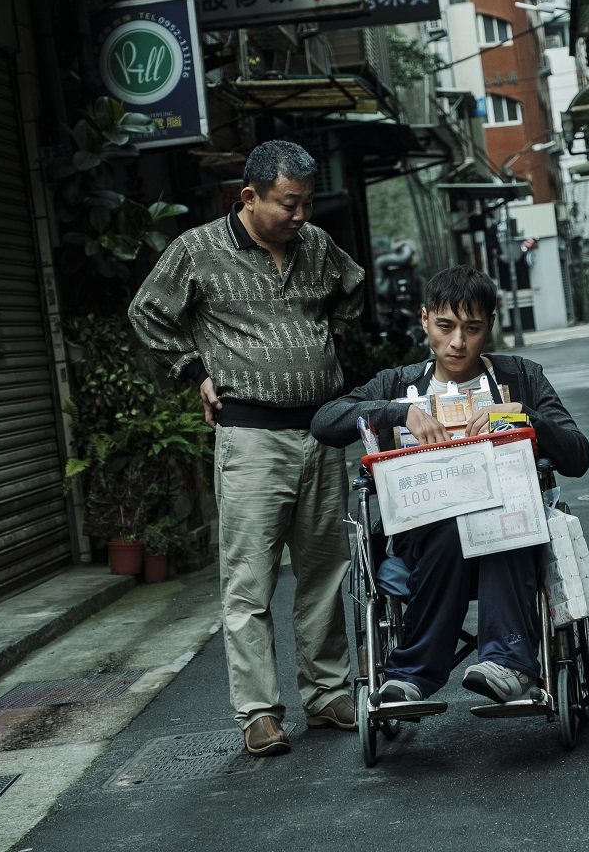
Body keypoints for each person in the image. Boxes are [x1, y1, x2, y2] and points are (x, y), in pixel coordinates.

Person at [128, 140, 365, 757]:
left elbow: (352, 288)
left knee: (324, 572)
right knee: (249, 580)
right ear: (249, 197)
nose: (301, 216)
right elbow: (147, 312)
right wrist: (193, 371)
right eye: (289, 204)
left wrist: (327, 341)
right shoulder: (197, 249)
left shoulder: (316, 245)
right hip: (251, 436)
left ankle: (327, 692)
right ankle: (259, 711)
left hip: (321, 431)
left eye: (307, 203)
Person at [312, 265, 589, 704]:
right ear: (425, 321)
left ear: (489, 326)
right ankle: (415, 674)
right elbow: (325, 422)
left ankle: (506, 663)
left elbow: (578, 455)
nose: (458, 342)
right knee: (451, 527)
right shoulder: (398, 385)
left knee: (500, 520)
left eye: (472, 328)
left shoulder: (520, 377)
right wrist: (398, 412)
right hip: (427, 537)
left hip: (510, 530)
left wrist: (524, 416)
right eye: (445, 326)